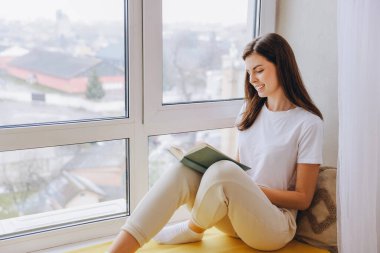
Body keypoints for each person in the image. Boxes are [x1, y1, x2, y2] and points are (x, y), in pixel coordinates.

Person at [108, 33, 323, 253]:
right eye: (249, 72)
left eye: (259, 70)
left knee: (225, 170)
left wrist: (253, 189)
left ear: (282, 66)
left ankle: (193, 228)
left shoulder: (307, 123)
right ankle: (118, 250)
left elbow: (303, 199)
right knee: (185, 169)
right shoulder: (249, 111)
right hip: (238, 218)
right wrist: (215, 171)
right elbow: (243, 169)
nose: (252, 80)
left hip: (274, 226)